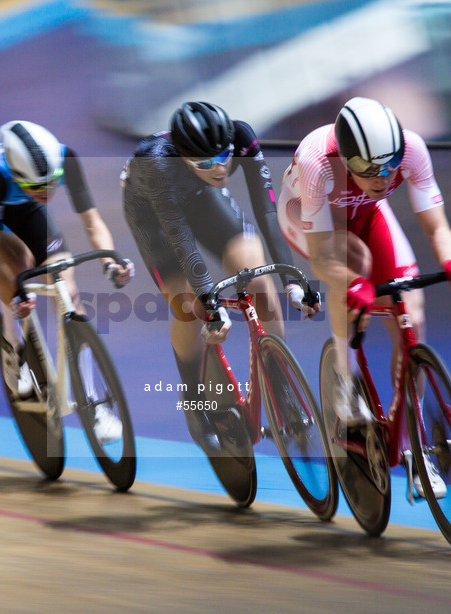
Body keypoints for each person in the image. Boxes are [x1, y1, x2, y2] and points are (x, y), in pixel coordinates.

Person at [277, 97, 451, 496]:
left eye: (389, 166)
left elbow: (437, 226)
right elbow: (323, 256)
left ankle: (414, 448)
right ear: (345, 156)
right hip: (307, 223)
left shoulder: (411, 150)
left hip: (367, 214)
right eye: (369, 169)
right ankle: (345, 376)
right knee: (353, 263)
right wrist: (350, 282)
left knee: (411, 309)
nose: (382, 176)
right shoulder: (316, 161)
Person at [121, 101, 319, 452]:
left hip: (199, 197)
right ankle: (194, 400)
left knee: (256, 273)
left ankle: (279, 380)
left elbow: (267, 211)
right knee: (188, 305)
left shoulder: (241, 136)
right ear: (183, 157)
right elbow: (181, 239)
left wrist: (291, 278)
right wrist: (210, 305)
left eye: (224, 156)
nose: (220, 168)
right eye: (205, 163)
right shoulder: (157, 164)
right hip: (154, 215)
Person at [0, 120, 134, 441]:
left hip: (24, 209)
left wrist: (110, 259)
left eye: (51, 184)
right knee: (19, 264)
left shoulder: (65, 160)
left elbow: (92, 222)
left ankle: (93, 405)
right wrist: (15, 290)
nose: (48, 193)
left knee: (67, 289)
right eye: (38, 187)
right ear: (18, 175)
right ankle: (14, 347)